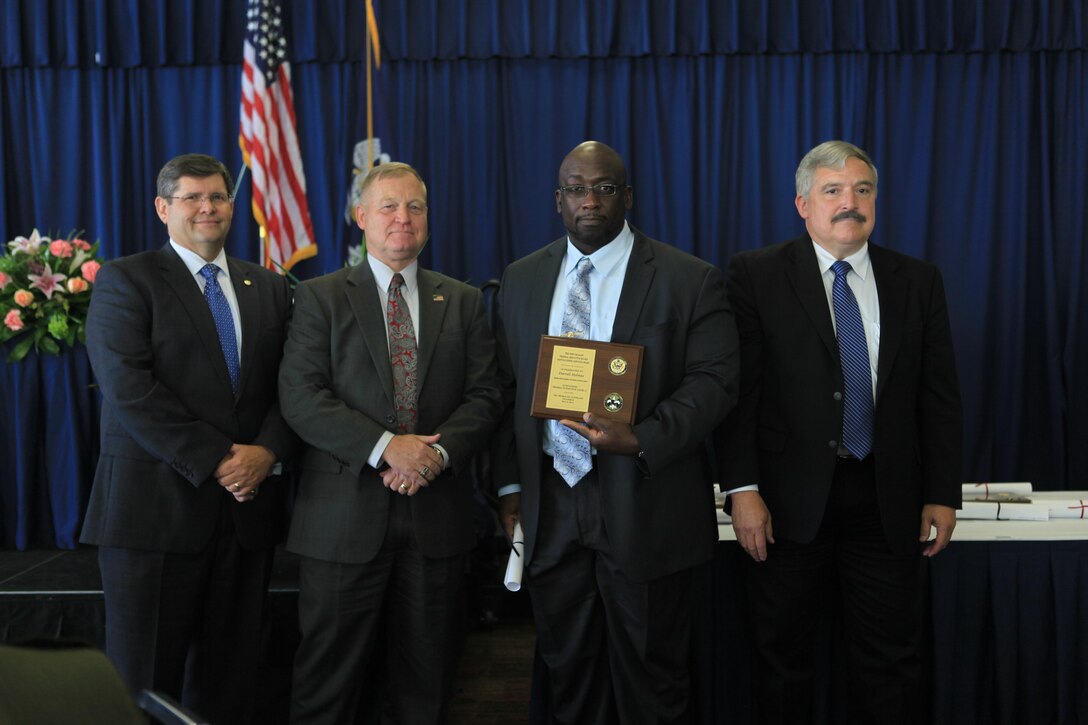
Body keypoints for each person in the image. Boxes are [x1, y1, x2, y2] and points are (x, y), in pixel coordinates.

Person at [715, 140, 963, 724]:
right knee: (781, 660)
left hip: (886, 499)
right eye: (833, 191)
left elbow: (940, 397)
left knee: (891, 661)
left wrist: (942, 492)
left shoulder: (918, 280)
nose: (850, 203)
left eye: (863, 190)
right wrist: (741, 489)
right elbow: (738, 394)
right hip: (784, 503)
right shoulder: (755, 275)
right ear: (803, 204)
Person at [492, 140, 738, 724]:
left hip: (646, 498)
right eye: (576, 189)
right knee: (568, 672)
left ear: (626, 196)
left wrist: (643, 436)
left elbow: (716, 383)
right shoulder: (522, 279)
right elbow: (501, 391)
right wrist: (508, 489)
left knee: (652, 676)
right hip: (553, 500)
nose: (590, 201)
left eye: (604, 188)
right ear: (558, 201)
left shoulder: (688, 278)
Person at [279, 162, 504, 724]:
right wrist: (387, 447)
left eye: (415, 207)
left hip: (437, 520)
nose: (403, 218)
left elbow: (486, 397)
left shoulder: (464, 301)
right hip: (340, 523)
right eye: (388, 206)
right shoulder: (317, 298)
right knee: (326, 686)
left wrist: (433, 455)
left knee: (427, 686)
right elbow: (302, 398)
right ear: (361, 217)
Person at [81, 153, 297, 724]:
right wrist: (223, 459)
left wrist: (268, 451)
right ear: (163, 208)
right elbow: (129, 390)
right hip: (152, 520)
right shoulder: (127, 279)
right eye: (192, 198)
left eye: (218, 197)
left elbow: (294, 386)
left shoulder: (269, 288)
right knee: (144, 689)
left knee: (232, 686)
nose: (208, 208)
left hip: (245, 521)